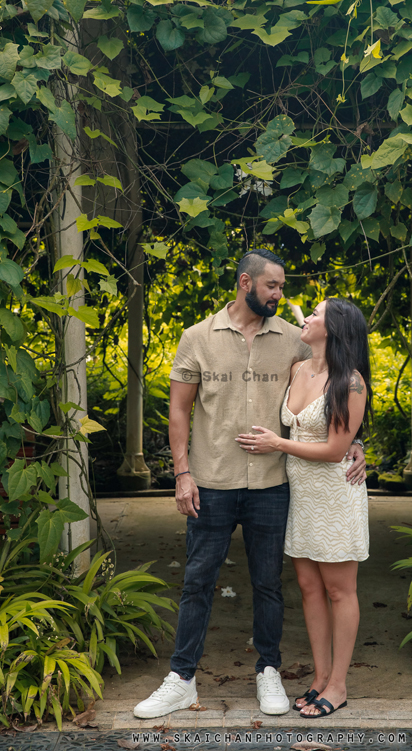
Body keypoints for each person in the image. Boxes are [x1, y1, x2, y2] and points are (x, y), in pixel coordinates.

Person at [133, 251, 366, 720]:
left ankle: (269, 671)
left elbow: (340, 380)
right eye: (273, 287)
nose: (281, 295)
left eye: (282, 288)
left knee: (269, 586)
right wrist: (181, 474)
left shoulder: (296, 342)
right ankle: (181, 679)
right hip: (211, 481)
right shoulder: (197, 337)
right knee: (197, 582)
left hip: (272, 485)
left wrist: (356, 441)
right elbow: (178, 409)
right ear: (246, 283)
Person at [236, 298, 371, 719]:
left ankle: (340, 685)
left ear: (333, 329)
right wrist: (300, 314)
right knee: (310, 589)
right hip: (302, 497)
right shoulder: (299, 368)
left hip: (335, 495)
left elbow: (334, 450)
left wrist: (277, 444)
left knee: (338, 590)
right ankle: (320, 675)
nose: (306, 318)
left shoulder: (351, 383)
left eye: (316, 313)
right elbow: (301, 323)